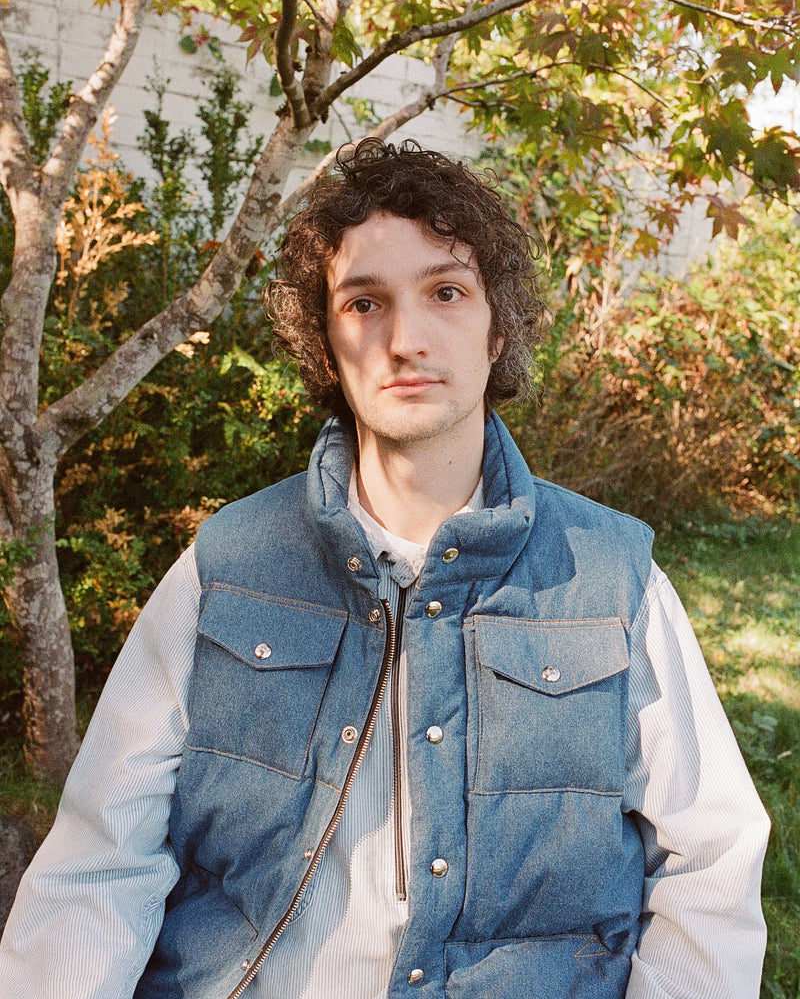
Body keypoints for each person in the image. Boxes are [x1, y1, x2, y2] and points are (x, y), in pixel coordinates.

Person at [0, 139, 769, 999]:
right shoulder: (227, 569)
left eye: (446, 292)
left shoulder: (610, 579)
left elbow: (711, 864)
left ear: (497, 325)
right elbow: (101, 865)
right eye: (365, 304)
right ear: (326, 344)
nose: (405, 339)